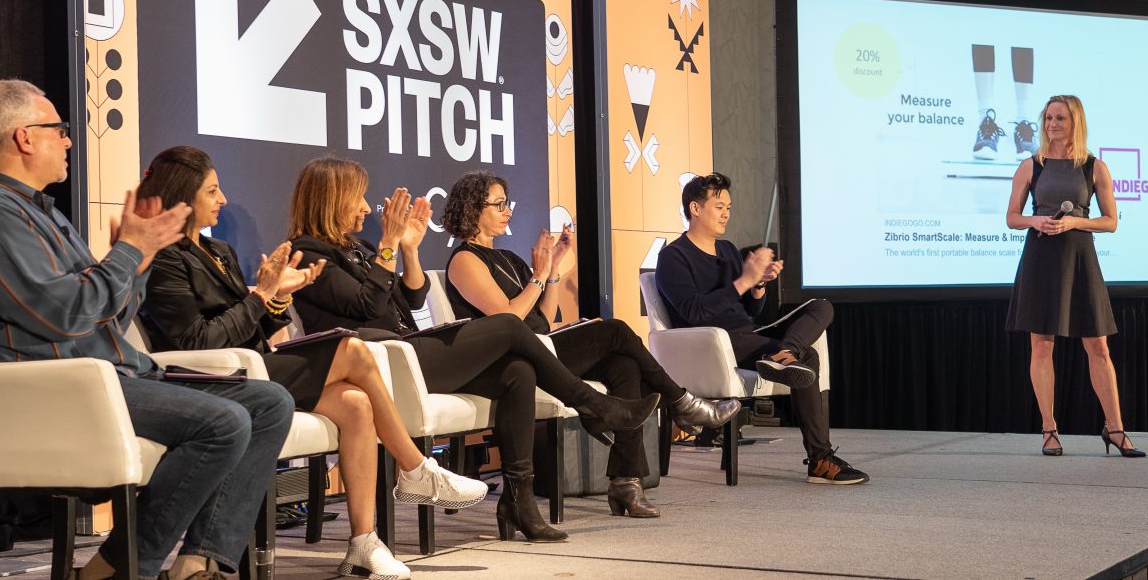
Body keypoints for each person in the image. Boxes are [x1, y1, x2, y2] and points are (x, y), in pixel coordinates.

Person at [0, 80, 293, 580]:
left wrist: (138, 262)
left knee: (269, 402)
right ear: (24, 138)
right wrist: (128, 251)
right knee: (223, 423)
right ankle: (118, 568)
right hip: (51, 388)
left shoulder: (37, 212)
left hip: (103, 376)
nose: (67, 140)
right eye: (59, 129)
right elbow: (63, 316)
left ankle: (198, 562)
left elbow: (105, 319)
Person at [134, 147, 489, 580]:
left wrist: (276, 298)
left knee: (356, 404)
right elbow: (196, 341)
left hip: (255, 362)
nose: (222, 199)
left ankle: (363, 543)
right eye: (212, 191)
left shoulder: (219, 250)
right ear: (183, 196)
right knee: (353, 350)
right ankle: (415, 468)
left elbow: (254, 327)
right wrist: (263, 297)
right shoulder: (165, 257)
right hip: (214, 375)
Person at [285, 156, 679, 541]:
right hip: (381, 362)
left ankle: (519, 502)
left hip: (405, 351)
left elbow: (412, 298)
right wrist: (388, 244)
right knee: (508, 325)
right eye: (358, 197)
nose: (365, 207)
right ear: (331, 199)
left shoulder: (359, 248)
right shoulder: (306, 253)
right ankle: (594, 405)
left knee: (517, 372)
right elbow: (368, 306)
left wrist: (409, 251)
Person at [442, 171, 742, 519]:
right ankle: (681, 401)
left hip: (543, 347)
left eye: (506, 203)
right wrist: (538, 275)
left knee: (624, 366)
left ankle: (626, 481)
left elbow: (544, 319)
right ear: (472, 209)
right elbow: (507, 320)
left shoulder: (508, 258)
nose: (507, 211)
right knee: (615, 331)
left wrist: (553, 270)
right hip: (513, 360)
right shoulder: (464, 260)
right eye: (498, 205)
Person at [655, 172, 871, 486]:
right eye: (719, 207)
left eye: (729, 207)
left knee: (821, 306)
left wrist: (758, 286)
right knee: (808, 358)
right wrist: (744, 280)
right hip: (712, 345)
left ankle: (785, 353)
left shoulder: (728, 250)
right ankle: (820, 460)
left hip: (748, 334)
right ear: (695, 208)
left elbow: (749, 311)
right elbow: (693, 311)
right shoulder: (673, 257)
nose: (726, 214)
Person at [1005, 95, 1144, 458]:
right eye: (1048, 117)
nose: (1052, 124)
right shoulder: (1031, 166)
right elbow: (1012, 217)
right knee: (1041, 345)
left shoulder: (1094, 167)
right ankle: (1049, 430)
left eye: (1060, 118)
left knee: (1098, 347)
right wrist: (1035, 220)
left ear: (1075, 122)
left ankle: (1115, 429)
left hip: (1080, 260)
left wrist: (1074, 223)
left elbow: (1110, 222)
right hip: (1040, 260)